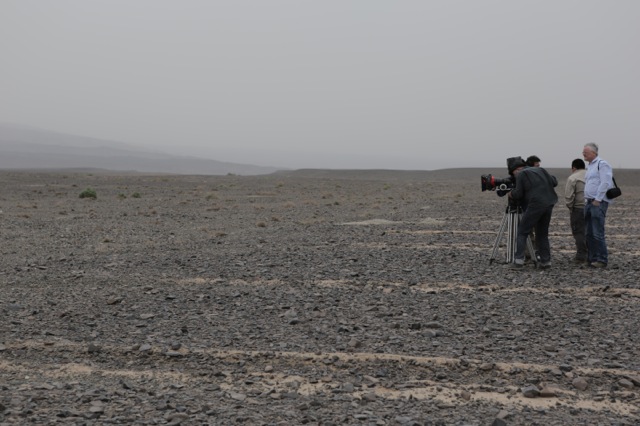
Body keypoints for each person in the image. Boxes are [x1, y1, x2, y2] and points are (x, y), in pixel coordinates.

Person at [507, 157, 558, 269]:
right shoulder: (540, 170)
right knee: (542, 234)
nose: (514, 176)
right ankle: (546, 261)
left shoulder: (521, 174)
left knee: (522, 231)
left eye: (513, 173)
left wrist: (511, 194)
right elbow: (554, 182)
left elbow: (518, 194)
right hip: (549, 203)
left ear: (516, 170)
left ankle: (518, 261)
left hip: (535, 204)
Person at [582, 143, 614, 268]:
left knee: (597, 232)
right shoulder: (590, 166)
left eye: (586, 152)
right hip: (589, 202)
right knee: (588, 232)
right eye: (583, 152)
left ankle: (602, 259)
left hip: (597, 202)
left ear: (594, 153)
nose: (583, 154)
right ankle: (592, 259)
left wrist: (598, 199)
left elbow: (605, 182)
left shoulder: (602, 164)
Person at [565, 158, 587, 263]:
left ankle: (581, 255)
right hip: (592, 207)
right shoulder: (590, 175)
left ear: (573, 168)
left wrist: (570, 208)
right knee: (592, 231)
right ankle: (594, 254)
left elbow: (569, 196)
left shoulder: (573, 178)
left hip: (578, 208)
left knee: (578, 232)